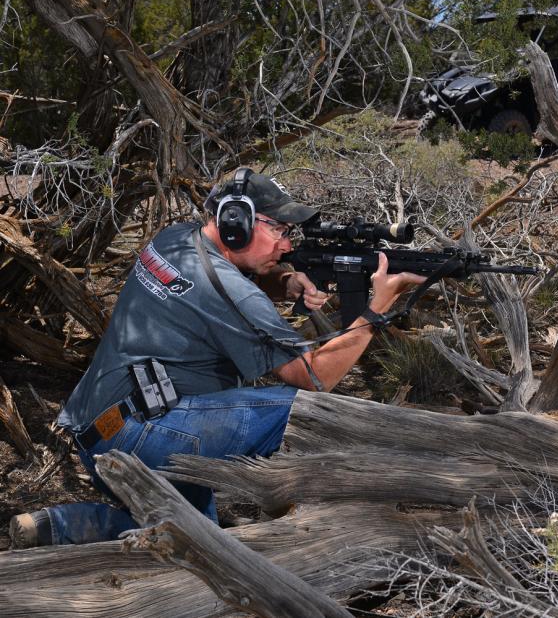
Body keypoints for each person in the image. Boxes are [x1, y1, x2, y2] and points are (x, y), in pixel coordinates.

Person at [9, 169, 425, 548]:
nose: (286, 243)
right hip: (142, 440)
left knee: (197, 540)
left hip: (96, 432)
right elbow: (314, 377)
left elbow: (230, 279)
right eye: (277, 228)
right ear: (235, 223)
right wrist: (376, 311)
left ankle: (60, 526)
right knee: (311, 411)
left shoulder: (172, 239)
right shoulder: (234, 291)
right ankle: (322, 529)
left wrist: (285, 280)